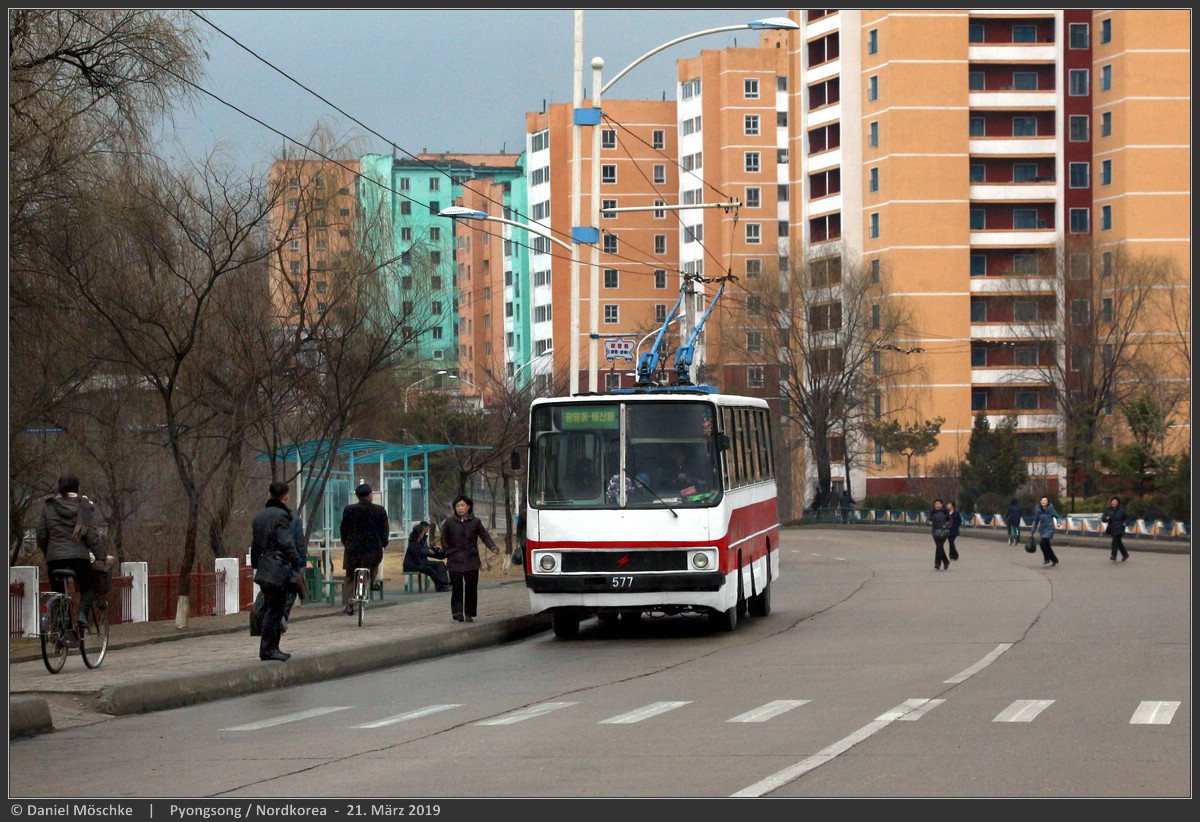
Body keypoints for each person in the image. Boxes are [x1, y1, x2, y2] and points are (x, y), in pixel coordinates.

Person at [36, 473, 109, 641]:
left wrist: (49, 552)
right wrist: (101, 556)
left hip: (54, 559)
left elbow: (41, 534)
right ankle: (82, 615)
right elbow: (91, 536)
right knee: (88, 588)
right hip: (78, 558)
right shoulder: (83, 506)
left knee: (59, 594)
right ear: (77, 488)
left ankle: (64, 632)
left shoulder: (49, 506)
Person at [250, 480, 303, 661]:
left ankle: (268, 648)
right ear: (286, 497)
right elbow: (286, 542)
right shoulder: (282, 516)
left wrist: (256, 565)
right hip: (278, 568)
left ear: (269, 494)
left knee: (270, 607)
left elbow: (255, 545)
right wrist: (297, 561)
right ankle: (270, 649)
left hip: (264, 568)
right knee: (276, 609)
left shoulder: (259, 517)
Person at [437, 494, 499, 623]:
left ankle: (469, 612)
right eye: (457, 506)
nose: (460, 508)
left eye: (462, 505)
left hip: (471, 560)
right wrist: (447, 550)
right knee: (457, 587)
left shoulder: (475, 522)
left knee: (471, 588)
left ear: (468, 507)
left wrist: (492, 547)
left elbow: (484, 536)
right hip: (455, 560)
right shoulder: (449, 522)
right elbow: (443, 538)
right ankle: (457, 612)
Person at [339, 481, 390, 615]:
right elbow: (384, 530)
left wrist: (346, 543)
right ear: (369, 495)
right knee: (373, 565)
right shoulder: (379, 510)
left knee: (350, 576)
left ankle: (348, 604)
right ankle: (373, 580)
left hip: (353, 549)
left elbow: (344, 529)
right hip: (373, 549)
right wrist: (384, 543)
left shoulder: (349, 509)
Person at [404, 520, 451, 592]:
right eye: (423, 532)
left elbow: (424, 550)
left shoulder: (420, 541)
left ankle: (444, 583)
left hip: (421, 562)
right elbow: (417, 555)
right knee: (429, 569)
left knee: (440, 564)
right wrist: (427, 553)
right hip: (412, 565)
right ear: (420, 534)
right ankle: (441, 585)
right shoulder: (413, 543)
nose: (425, 533)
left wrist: (433, 550)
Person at [1100, 496, 1130, 561]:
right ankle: (1125, 555)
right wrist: (1106, 518)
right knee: (1118, 543)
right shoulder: (1108, 510)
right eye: (1113, 501)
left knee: (1114, 541)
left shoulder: (1121, 510)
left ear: (1118, 503)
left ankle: (1114, 556)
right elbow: (1103, 518)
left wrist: (1125, 523)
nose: (1113, 502)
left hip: (1120, 528)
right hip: (1112, 529)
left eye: (1115, 501)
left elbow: (1127, 518)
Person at [1033, 495, 1060, 567]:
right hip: (1042, 530)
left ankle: (1047, 558)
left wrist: (1058, 523)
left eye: (1045, 500)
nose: (1043, 502)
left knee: (1043, 543)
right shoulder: (1038, 510)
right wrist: (1032, 531)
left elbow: (1057, 516)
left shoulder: (1050, 509)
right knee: (1047, 546)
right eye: (1042, 500)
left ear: (1047, 502)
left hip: (1049, 529)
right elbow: (1036, 521)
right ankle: (1054, 560)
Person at [929, 498, 951, 571]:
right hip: (935, 531)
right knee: (939, 547)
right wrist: (929, 522)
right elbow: (928, 519)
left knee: (939, 546)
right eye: (935, 504)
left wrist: (946, 525)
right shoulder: (933, 512)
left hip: (944, 531)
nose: (936, 505)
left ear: (942, 504)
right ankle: (941, 563)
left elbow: (950, 521)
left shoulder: (945, 512)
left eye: (938, 504)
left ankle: (941, 562)